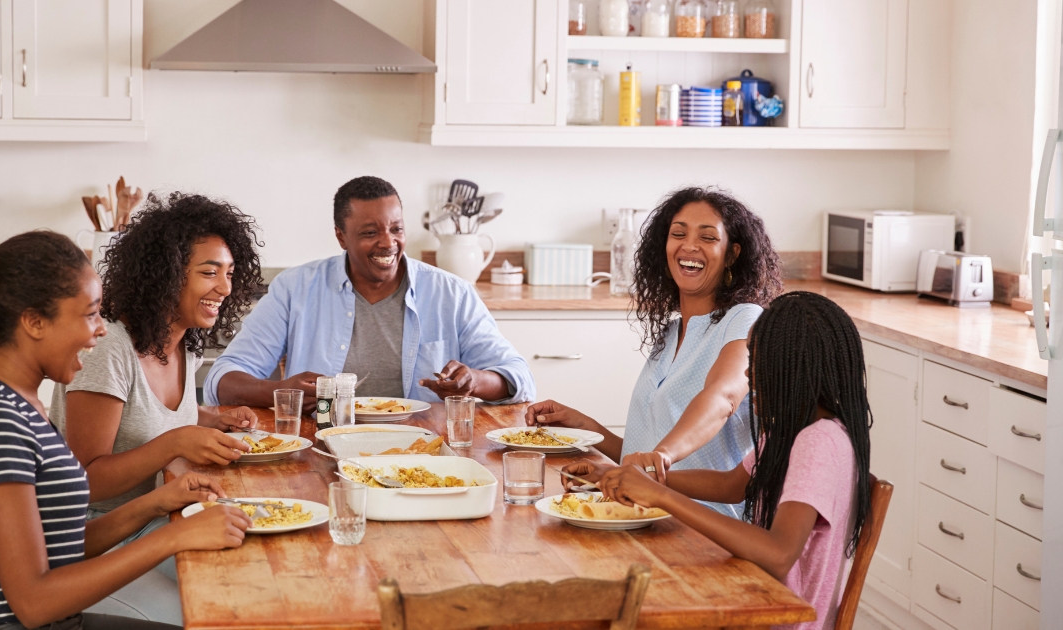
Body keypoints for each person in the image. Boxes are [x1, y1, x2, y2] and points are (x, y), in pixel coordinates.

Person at [0, 224, 250, 630]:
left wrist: (158, 502)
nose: (101, 329)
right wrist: (171, 538)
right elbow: (33, 603)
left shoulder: (21, 404)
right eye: (89, 314)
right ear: (34, 322)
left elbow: (61, 547)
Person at [565, 292, 873, 630]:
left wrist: (661, 495)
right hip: (752, 598)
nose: (748, 373)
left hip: (776, 620)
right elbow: (731, 485)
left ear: (793, 369)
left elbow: (779, 553)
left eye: (757, 361)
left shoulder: (819, 443)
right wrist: (630, 475)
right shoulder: (795, 429)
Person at [525, 187, 782, 517]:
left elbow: (724, 398)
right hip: (647, 515)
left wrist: (662, 455)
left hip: (705, 528)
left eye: (707, 237)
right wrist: (584, 426)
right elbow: (643, 459)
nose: (689, 246)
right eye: (678, 234)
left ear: (732, 254)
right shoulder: (671, 333)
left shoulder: (745, 319)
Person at [204, 176, 534, 407]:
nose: (388, 242)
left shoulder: (451, 293)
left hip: (425, 449)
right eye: (370, 232)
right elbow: (222, 380)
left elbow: (519, 378)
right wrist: (279, 391)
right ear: (341, 237)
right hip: (323, 444)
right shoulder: (295, 289)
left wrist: (474, 381)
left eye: (396, 228)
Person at [51, 193, 265, 540]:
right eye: (210, 272)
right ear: (165, 276)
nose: (225, 287)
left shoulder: (183, 341)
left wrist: (213, 419)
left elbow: (148, 414)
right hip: (97, 533)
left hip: (161, 516)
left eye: (230, 273)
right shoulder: (108, 349)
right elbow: (85, 481)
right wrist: (175, 442)